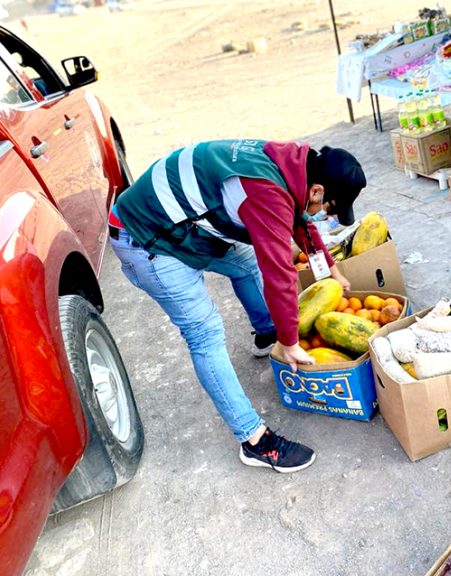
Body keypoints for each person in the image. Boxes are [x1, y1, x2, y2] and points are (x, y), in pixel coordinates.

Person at [108, 139, 366, 473]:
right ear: (317, 191)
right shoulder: (266, 191)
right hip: (144, 237)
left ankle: (266, 336)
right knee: (205, 334)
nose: (325, 216)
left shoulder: (291, 164)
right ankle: (254, 441)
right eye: (329, 209)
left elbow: (299, 220)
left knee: (245, 264)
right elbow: (279, 273)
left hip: (180, 224)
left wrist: (328, 267)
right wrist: (290, 341)